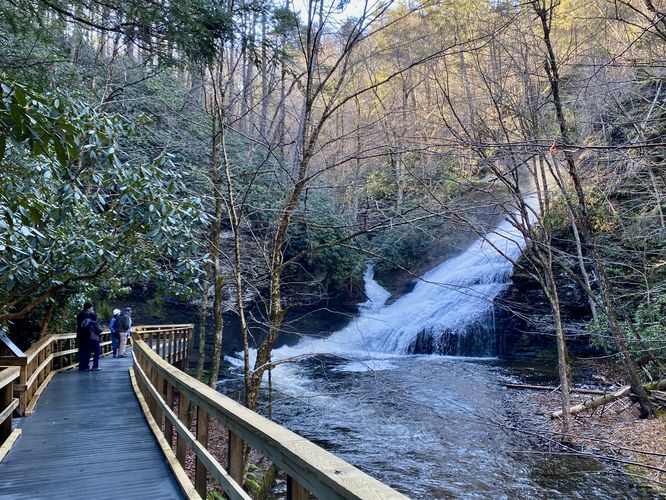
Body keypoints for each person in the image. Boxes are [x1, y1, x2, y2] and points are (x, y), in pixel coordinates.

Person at [76, 302, 95, 371]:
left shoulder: (79, 314)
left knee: (81, 351)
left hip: (80, 334)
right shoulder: (88, 315)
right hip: (87, 335)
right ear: (90, 308)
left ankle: (81, 366)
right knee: (87, 351)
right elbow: (91, 324)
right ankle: (86, 366)